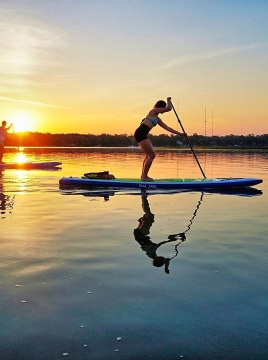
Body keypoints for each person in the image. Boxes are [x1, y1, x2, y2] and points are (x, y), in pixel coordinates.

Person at [134, 97, 186, 181]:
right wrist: (168, 100)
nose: (163, 111)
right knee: (151, 155)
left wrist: (180, 134)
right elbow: (169, 108)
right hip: (140, 133)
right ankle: (144, 176)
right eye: (163, 107)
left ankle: (143, 176)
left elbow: (168, 128)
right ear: (160, 107)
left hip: (142, 134)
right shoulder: (153, 111)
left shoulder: (157, 119)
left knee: (149, 155)